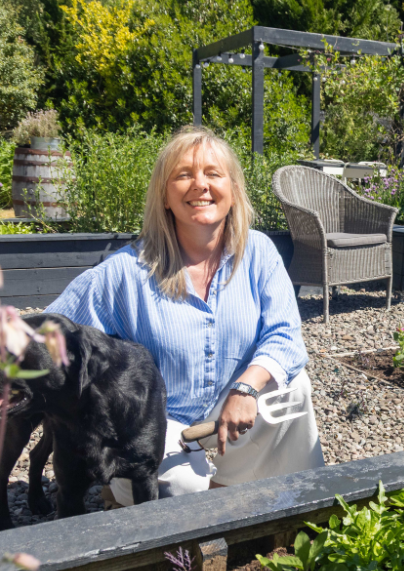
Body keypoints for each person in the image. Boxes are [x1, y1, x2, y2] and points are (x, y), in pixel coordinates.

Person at [46, 126, 322, 506]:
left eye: (213, 173)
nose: (200, 185)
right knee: (181, 491)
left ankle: (277, 501)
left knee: (294, 388)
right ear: (164, 195)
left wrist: (246, 389)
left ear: (234, 189)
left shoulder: (258, 253)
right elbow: (51, 331)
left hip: (228, 406)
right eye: (183, 175)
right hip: (154, 421)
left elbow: (285, 336)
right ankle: (162, 499)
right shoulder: (126, 272)